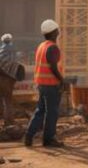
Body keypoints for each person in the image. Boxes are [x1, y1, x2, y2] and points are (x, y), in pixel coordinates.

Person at [25, 20, 65, 148]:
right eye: (57, 30)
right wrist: (62, 80)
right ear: (54, 32)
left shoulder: (42, 46)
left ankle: (29, 135)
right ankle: (49, 139)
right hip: (51, 85)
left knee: (40, 111)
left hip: (41, 84)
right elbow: (53, 67)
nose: (59, 32)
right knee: (51, 112)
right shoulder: (52, 47)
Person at [1, 34, 20, 126]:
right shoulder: (14, 50)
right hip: (10, 78)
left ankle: (7, 120)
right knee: (8, 101)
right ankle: (9, 120)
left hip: (3, 78)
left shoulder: (2, 49)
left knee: (5, 100)